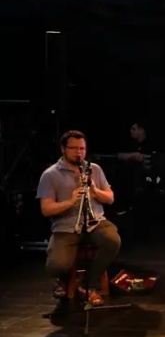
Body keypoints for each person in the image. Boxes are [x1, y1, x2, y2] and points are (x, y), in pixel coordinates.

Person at [36, 130, 121, 306]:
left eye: (82, 148)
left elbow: (110, 198)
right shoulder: (50, 174)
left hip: (94, 222)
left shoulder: (94, 169)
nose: (79, 152)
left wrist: (95, 190)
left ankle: (90, 284)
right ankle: (62, 280)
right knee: (57, 265)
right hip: (66, 226)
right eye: (74, 148)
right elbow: (46, 209)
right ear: (63, 149)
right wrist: (70, 201)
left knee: (112, 241)